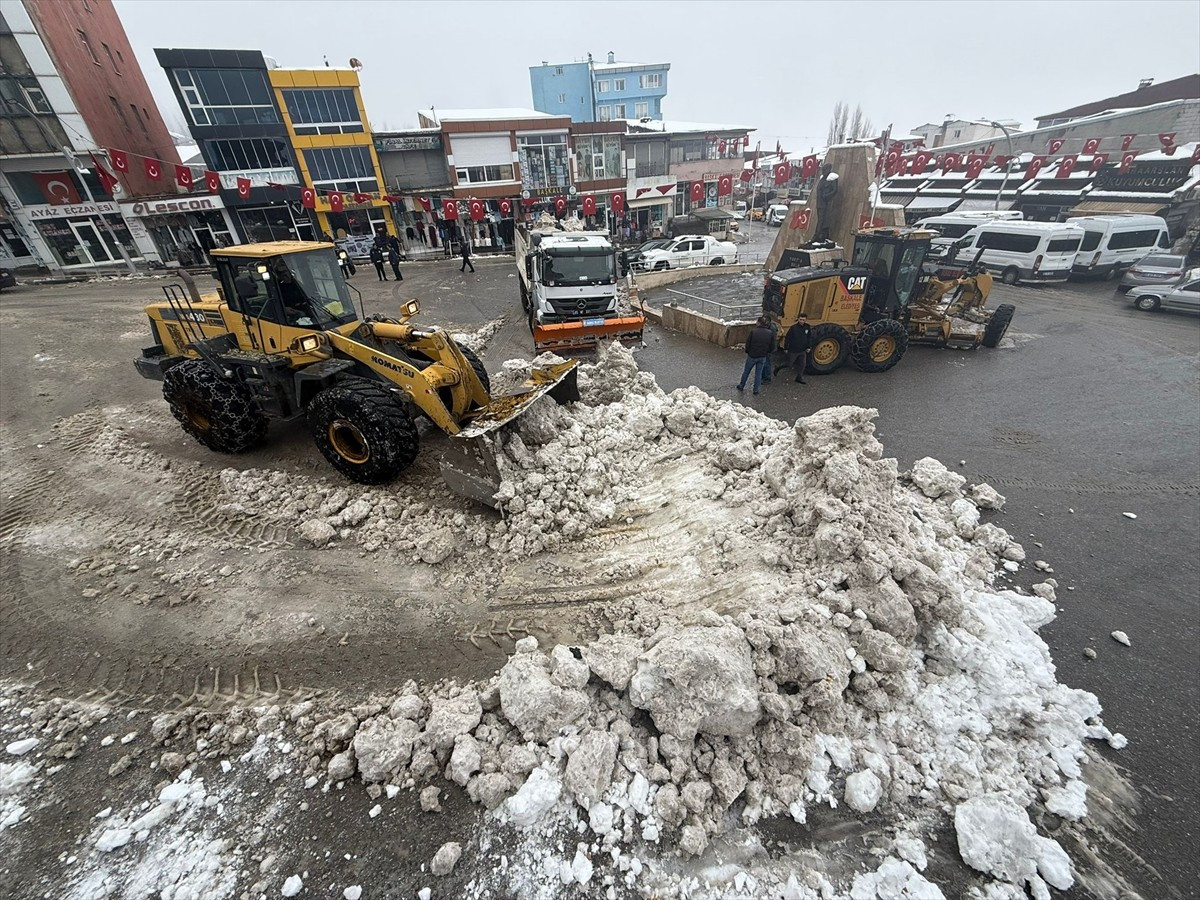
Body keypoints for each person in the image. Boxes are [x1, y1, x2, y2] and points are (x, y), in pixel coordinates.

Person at [737, 317, 775, 396]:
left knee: (746, 371)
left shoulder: (753, 332)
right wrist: (767, 352)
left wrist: (748, 351)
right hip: (763, 356)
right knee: (759, 373)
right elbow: (772, 346)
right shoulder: (770, 333)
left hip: (752, 355)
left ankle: (741, 385)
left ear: (758, 323)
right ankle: (756, 390)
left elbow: (748, 343)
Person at [785, 314, 811, 383]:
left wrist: (808, 346)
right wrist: (786, 348)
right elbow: (788, 337)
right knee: (789, 364)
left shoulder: (807, 327)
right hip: (794, 350)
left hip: (802, 350)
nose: (802, 321)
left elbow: (809, 337)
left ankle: (799, 377)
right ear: (798, 319)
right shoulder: (793, 328)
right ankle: (778, 368)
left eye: (803, 320)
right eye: (800, 319)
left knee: (803, 364)